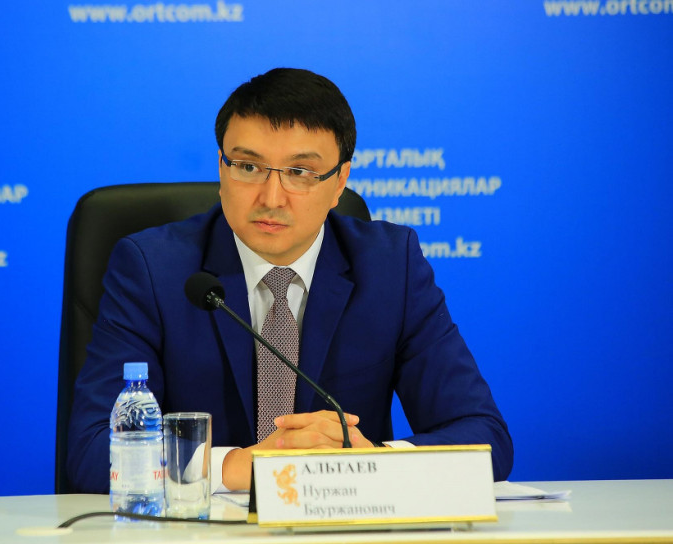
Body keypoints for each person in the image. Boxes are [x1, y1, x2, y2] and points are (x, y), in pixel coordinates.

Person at [67, 68, 513, 494]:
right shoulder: (153, 268)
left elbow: (485, 438)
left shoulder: (390, 266)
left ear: (340, 182)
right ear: (222, 168)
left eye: (300, 173)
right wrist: (240, 466)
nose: (271, 197)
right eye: (248, 167)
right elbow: (92, 449)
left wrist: (371, 460)